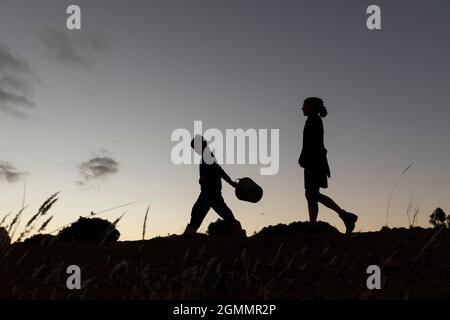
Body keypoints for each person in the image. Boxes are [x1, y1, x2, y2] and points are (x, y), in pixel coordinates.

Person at [298, 97, 358, 234]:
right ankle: (344, 216)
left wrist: (304, 157)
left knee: (311, 193)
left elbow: (313, 144)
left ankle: (315, 226)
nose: (302, 108)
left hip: (314, 162)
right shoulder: (313, 120)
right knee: (312, 194)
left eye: (304, 105)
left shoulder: (314, 120)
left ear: (312, 106)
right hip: (314, 162)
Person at [183, 135, 244, 236]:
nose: (195, 150)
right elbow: (218, 170)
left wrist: (204, 177)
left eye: (195, 147)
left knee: (198, 211)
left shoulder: (207, 156)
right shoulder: (207, 156)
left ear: (202, 144)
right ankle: (238, 231)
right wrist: (231, 183)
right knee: (223, 213)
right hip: (211, 192)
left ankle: (188, 235)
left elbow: (219, 171)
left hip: (210, 192)